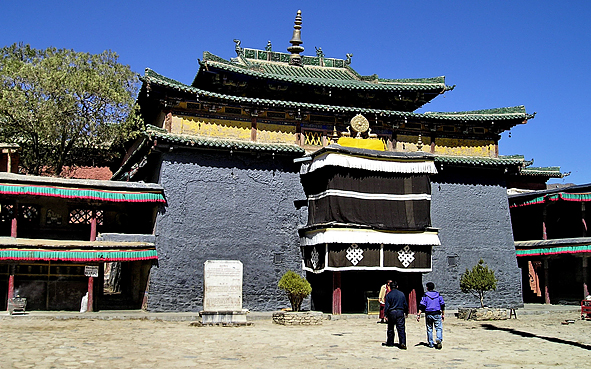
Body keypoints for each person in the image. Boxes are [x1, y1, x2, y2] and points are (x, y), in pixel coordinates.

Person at [416, 282, 445, 349]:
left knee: (429, 328)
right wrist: (443, 314)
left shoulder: (425, 296)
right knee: (438, 328)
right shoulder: (438, 295)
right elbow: (442, 305)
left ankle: (431, 343)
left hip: (428, 314)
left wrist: (419, 314)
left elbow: (422, 305)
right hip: (437, 313)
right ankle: (439, 339)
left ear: (427, 288)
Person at [382, 281, 408, 349]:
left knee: (390, 328)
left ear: (390, 287)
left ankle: (390, 342)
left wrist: (385, 314)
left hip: (391, 312)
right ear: (397, 286)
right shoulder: (401, 294)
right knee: (401, 328)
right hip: (400, 312)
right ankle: (402, 342)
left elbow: (387, 306)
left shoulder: (389, 295)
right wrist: (406, 312)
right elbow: (405, 304)